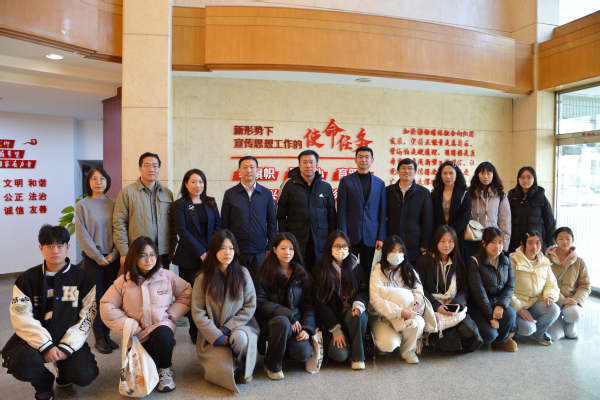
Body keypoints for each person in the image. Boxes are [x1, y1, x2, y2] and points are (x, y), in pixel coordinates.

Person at [2, 225, 98, 400]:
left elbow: (87, 317)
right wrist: (45, 345)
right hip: (35, 338)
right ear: (41, 248)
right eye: (49, 246)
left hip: (67, 335)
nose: (55, 251)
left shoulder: (82, 278)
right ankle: (43, 384)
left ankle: (64, 374)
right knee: (21, 363)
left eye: (60, 246)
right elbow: (21, 317)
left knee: (85, 374)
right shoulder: (27, 279)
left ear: (67, 247)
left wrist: (67, 346)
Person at [100, 236, 191, 393]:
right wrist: (127, 324)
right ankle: (153, 365)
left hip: (160, 327)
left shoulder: (167, 276)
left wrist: (171, 315)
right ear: (134, 257)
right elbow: (106, 305)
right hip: (137, 334)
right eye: (143, 255)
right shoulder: (124, 281)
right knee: (140, 381)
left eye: (152, 255)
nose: (149, 260)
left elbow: (187, 293)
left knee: (163, 335)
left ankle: (165, 370)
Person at [191, 230, 259, 393]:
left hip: (240, 326)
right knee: (221, 371)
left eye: (231, 248)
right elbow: (198, 312)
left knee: (240, 339)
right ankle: (233, 366)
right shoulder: (202, 278)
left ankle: (241, 364)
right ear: (214, 251)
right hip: (213, 334)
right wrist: (217, 335)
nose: (227, 253)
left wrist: (228, 328)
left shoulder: (243, 273)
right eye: (222, 248)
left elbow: (250, 306)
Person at [256, 232, 315, 380]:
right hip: (273, 324)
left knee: (304, 353)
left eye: (291, 248)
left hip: (297, 326)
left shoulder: (301, 274)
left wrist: (307, 328)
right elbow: (261, 303)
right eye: (283, 248)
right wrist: (289, 315)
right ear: (274, 250)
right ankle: (272, 365)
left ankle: (280, 350)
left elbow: (309, 305)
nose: (287, 252)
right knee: (282, 322)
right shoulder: (264, 273)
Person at [75, 167, 120, 354]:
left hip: (111, 258)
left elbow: (119, 230)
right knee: (96, 299)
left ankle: (107, 335)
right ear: (89, 182)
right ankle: (99, 337)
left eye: (102, 178)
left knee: (109, 299)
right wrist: (98, 257)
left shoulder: (114, 203)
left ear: (107, 181)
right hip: (93, 260)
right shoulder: (82, 205)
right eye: (94, 178)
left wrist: (114, 254)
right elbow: (82, 235)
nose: (98, 182)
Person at [415, 226, 482, 353]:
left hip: (452, 306)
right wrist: (437, 306)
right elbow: (419, 289)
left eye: (451, 241)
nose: (447, 245)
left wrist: (457, 304)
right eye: (443, 241)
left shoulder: (458, 261)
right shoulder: (424, 261)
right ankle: (437, 338)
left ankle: (448, 338)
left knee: (469, 332)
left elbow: (464, 289)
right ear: (436, 242)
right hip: (431, 307)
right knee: (450, 342)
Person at [172, 168, 221, 342]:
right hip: (189, 258)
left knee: (210, 294)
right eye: (193, 181)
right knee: (193, 295)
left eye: (200, 181)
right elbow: (182, 231)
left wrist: (211, 251)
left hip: (211, 256)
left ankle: (209, 329)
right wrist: (201, 252)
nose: (197, 185)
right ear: (186, 184)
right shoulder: (180, 205)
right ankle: (195, 332)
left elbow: (218, 226)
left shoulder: (210, 202)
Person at [369, 235, 430, 364]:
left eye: (400, 250)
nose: (397, 254)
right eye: (393, 250)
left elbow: (419, 293)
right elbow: (376, 301)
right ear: (385, 252)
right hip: (383, 318)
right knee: (388, 344)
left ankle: (408, 351)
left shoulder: (409, 270)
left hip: (408, 315)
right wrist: (400, 312)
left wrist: (414, 307)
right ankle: (394, 338)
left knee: (419, 323)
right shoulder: (377, 272)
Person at [313, 230, 368, 370]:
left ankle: (358, 358)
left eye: (344, 246)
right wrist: (335, 329)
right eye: (337, 246)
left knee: (358, 316)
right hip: (333, 320)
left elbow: (364, 290)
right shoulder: (321, 269)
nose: (341, 249)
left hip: (351, 314)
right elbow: (320, 302)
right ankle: (349, 345)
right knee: (340, 355)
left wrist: (358, 304)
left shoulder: (355, 265)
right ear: (329, 247)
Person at [277, 150, 336, 272]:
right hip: (296, 239)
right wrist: (283, 238)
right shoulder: (289, 185)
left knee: (319, 273)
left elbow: (332, 216)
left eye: (311, 162)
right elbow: (280, 215)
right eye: (304, 162)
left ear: (317, 164)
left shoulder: (325, 186)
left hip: (320, 240)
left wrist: (332, 240)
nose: (308, 165)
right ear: (299, 164)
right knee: (297, 272)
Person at [113, 152, 175, 269]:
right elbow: (119, 224)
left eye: (155, 166)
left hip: (162, 253)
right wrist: (124, 252)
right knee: (139, 281)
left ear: (159, 168)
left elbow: (172, 225)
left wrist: (172, 249)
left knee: (161, 281)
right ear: (140, 168)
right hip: (138, 251)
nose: (151, 169)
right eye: (147, 165)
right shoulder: (127, 192)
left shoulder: (167, 193)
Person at [337, 146, 386, 282]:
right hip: (350, 234)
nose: (363, 160)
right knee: (348, 267)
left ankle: (363, 292)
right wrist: (343, 235)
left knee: (366, 268)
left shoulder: (379, 183)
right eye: (360, 157)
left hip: (371, 235)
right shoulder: (346, 181)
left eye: (366, 157)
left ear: (372, 160)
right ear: (355, 159)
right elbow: (341, 211)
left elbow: (382, 213)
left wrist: (381, 236)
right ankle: (349, 292)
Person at [221, 156, 276, 279]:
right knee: (237, 282)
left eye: (252, 167)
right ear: (239, 171)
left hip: (260, 251)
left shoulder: (266, 194)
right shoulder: (230, 194)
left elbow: (272, 222)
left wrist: (270, 247)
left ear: (257, 170)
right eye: (245, 167)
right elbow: (224, 223)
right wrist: (227, 247)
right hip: (237, 250)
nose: (248, 170)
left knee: (259, 284)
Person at [467, 227, 518, 351]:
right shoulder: (475, 261)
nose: (497, 246)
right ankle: (490, 337)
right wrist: (491, 317)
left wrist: (501, 305)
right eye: (493, 242)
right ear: (484, 243)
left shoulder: (505, 260)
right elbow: (479, 294)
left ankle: (502, 341)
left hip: (497, 303)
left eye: (500, 242)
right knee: (489, 335)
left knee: (511, 313)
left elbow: (510, 286)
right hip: (479, 307)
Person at [509, 231, 560, 346]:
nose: (534, 246)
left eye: (538, 243)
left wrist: (550, 296)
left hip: (535, 303)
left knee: (554, 310)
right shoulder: (514, 260)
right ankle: (516, 328)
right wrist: (518, 309)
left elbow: (551, 283)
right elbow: (507, 289)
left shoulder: (545, 261)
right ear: (523, 244)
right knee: (528, 329)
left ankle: (538, 334)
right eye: (530, 243)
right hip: (517, 305)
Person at [386, 158, 433, 266]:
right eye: (403, 168)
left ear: (415, 172)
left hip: (414, 243)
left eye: (410, 168)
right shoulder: (388, 191)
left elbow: (428, 220)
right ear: (398, 171)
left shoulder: (423, 193)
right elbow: (383, 216)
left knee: (412, 272)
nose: (406, 171)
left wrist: (425, 243)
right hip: (392, 241)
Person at [546, 227, 590, 339]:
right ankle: (558, 321)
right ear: (555, 240)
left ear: (573, 240)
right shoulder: (546, 259)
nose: (564, 242)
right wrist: (562, 300)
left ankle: (569, 323)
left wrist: (576, 300)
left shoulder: (579, 262)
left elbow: (585, 285)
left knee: (573, 316)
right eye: (560, 238)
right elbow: (543, 283)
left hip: (571, 301)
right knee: (555, 335)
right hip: (552, 300)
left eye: (568, 239)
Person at [465, 161, 511, 260]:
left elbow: (505, 221)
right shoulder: (470, 193)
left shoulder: (500, 195)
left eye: (489, 173)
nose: (485, 176)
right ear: (477, 175)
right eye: (482, 173)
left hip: (493, 240)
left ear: (493, 175)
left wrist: (504, 245)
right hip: (473, 239)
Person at [507, 167, 555, 253]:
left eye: (529, 177)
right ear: (518, 179)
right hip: (516, 242)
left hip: (536, 242)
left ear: (534, 179)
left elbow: (550, 221)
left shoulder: (541, 196)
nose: (525, 180)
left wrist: (550, 243)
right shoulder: (512, 196)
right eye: (522, 177)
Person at [431, 161, 472, 257]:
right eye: (445, 173)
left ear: (457, 174)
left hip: (458, 237)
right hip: (439, 237)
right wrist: (441, 234)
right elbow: (431, 217)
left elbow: (465, 218)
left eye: (451, 173)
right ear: (440, 175)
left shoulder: (464, 194)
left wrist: (450, 235)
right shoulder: (434, 194)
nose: (448, 176)